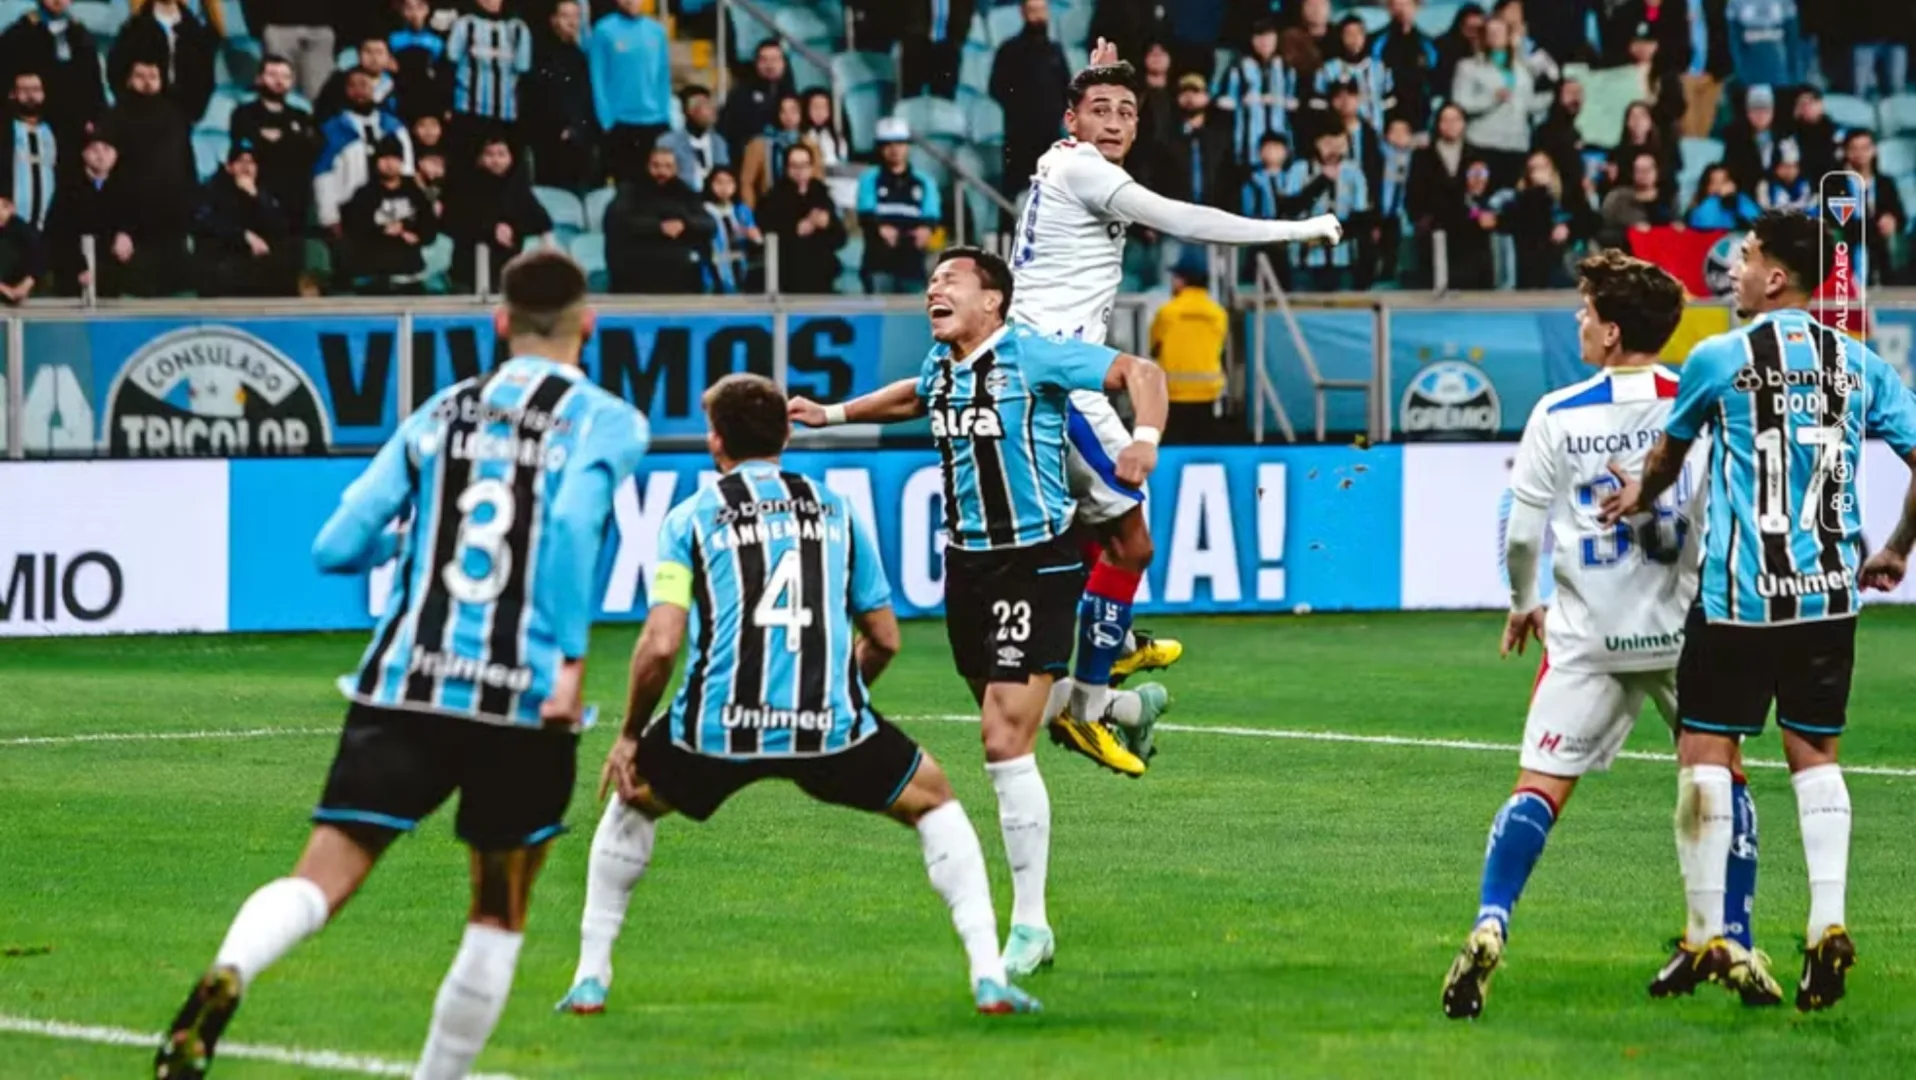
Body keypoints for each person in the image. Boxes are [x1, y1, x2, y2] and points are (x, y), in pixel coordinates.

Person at [154, 249, 650, 1080]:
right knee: (496, 912)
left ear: (500, 323)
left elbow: (336, 546)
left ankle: (233, 966)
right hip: (521, 700)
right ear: (587, 325)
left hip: (405, 685)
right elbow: (569, 527)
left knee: (321, 878)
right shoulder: (608, 421)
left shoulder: (440, 411)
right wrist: (570, 659)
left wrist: (410, 546)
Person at [554, 371, 1040, 1019]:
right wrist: (837, 695)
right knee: (934, 801)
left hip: (716, 726)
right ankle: (988, 974)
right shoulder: (835, 509)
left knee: (632, 801)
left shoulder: (688, 518)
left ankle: (590, 978)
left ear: (716, 441)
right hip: (828, 724)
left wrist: (629, 737)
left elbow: (662, 644)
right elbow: (885, 638)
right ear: (785, 436)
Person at [789, 246, 1171, 978]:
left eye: (950, 281)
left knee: (1002, 740)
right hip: (967, 567)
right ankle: (1123, 708)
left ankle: (1030, 924)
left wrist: (1144, 441)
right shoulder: (943, 366)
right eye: (931, 280)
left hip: (1038, 561)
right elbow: (914, 396)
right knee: (1024, 710)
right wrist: (829, 414)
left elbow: (1141, 374)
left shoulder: (1034, 354)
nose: (933, 289)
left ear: (993, 301)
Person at [1597, 210, 1916, 1011]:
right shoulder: (1859, 364)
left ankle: (1707, 933)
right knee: (1816, 758)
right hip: (1828, 598)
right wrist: (1897, 547)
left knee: (1704, 751)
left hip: (1738, 598)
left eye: (1743, 258)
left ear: (1775, 278)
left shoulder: (1718, 358)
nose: (1730, 271)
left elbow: (1668, 456)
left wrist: (1641, 493)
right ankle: (1827, 921)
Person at [1439, 249, 1770, 1021]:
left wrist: (1522, 602)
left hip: (1589, 635)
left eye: (1587, 311)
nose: (1579, 321)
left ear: (1613, 331)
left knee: (1539, 788)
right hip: (1686, 632)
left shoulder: (1558, 413)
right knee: (1723, 776)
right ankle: (1733, 937)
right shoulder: (1703, 401)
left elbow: (1524, 535)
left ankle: (1492, 921)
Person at [1002, 59, 1337, 780]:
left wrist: (1094, 76)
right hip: (1059, 381)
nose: (1115, 121)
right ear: (1072, 121)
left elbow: (1088, 119)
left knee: (1100, 535)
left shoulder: (1058, 159)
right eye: (1099, 109)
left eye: (1126, 110)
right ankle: (1090, 700)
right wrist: (1296, 230)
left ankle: (1110, 646)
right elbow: (1185, 219)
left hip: (1045, 372)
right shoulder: (1085, 170)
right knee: (1134, 544)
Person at [101, 59, 193, 298]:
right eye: (140, 76)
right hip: (132, 226)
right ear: (129, 80)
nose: (147, 82)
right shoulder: (116, 116)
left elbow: (187, 167)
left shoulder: (175, 116)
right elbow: (109, 179)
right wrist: (120, 229)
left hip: (171, 224)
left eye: (153, 76)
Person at [446, 135, 554, 292]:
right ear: (480, 158)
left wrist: (513, 228)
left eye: (501, 154)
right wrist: (491, 228)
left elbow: (541, 221)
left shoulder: (518, 189)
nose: (495, 160)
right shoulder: (465, 187)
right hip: (468, 270)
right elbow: (454, 221)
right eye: (489, 154)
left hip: (508, 271)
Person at [314, 68, 414, 235]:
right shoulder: (332, 129)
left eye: (364, 84)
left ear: (375, 88)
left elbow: (407, 168)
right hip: (348, 211)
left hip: (392, 211)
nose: (359, 90)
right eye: (352, 85)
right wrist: (329, 216)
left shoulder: (394, 127)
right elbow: (323, 175)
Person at [192, 140, 297, 296]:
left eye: (251, 162)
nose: (246, 167)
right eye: (240, 161)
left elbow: (280, 226)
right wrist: (244, 236)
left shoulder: (264, 192)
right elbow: (206, 222)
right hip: (225, 258)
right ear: (229, 167)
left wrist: (256, 197)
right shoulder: (213, 190)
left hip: (257, 260)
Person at [604, 144, 712, 294]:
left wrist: (685, 224)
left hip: (680, 273)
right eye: (656, 166)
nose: (662, 172)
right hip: (638, 268)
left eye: (668, 166)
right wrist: (659, 227)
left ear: (676, 169)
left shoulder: (685, 193)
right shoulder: (630, 190)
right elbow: (618, 221)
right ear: (647, 166)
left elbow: (709, 223)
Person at [0, 0, 107, 148]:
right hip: (30, 128)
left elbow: (94, 86)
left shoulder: (80, 35)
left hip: (74, 131)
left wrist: (97, 120)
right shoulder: (18, 35)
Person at [1452, 15, 1542, 190]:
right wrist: (1492, 99)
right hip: (1483, 143)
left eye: (1499, 31)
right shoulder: (1468, 67)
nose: (1494, 36)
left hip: (1517, 144)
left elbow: (1528, 102)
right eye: (1490, 32)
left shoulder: (1523, 69)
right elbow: (1461, 102)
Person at [990, 0, 1070, 195]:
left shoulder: (1055, 51)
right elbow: (996, 88)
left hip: (1050, 136)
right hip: (1018, 138)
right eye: (1033, 11)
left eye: (1042, 11)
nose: (1038, 17)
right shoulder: (1009, 50)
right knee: (1014, 191)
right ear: (1023, 13)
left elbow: (1066, 88)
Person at [339, 135, 437, 294]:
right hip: (373, 274)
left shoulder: (415, 191)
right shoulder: (365, 194)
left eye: (394, 158)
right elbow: (354, 229)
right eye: (384, 158)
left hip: (409, 273)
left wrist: (410, 231)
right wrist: (382, 231)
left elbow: (429, 226)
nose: (390, 163)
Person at [232, 56, 321, 231]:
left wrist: (279, 138)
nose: (279, 81)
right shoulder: (244, 113)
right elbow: (250, 148)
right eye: (272, 75)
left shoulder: (301, 115)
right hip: (258, 194)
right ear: (259, 79)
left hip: (296, 196)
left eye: (285, 76)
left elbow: (311, 149)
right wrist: (291, 139)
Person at [43, 123, 132, 294]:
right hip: (75, 279)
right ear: (84, 153)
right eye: (94, 150)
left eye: (107, 149)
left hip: (114, 280)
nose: (101, 156)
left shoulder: (125, 188)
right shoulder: (69, 190)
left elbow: (135, 223)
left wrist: (126, 234)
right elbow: (58, 234)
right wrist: (77, 267)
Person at [589, 0, 671, 185]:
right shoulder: (604, 30)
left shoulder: (657, 31)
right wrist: (606, 119)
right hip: (620, 122)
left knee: (651, 184)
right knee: (624, 184)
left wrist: (664, 114)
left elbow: (663, 76)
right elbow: (597, 77)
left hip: (653, 121)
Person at [1151, 254, 1229, 443]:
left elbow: (1154, 347)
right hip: (1208, 392)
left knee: (1174, 447)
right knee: (1203, 446)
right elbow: (1221, 347)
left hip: (1174, 394)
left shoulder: (1167, 312)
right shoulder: (1218, 313)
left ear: (1182, 280)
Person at [858, 117, 939, 295]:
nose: (894, 149)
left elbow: (931, 216)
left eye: (900, 143)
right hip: (878, 262)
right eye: (888, 144)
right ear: (880, 148)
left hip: (912, 262)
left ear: (907, 146)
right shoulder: (869, 178)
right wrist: (880, 229)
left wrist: (925, 230)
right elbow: (866, 214)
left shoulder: (924, 181)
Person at [522, 0, 596, 191]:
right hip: (549, 140)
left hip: (578, 139)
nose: (572, 22)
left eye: (576, 17)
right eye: (565, 16)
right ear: (553, 20)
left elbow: (584, 99)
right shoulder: (540, 55)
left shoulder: (580, 56)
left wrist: (578, 128)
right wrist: (559, 128)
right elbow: (537, 98)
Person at [755, 142, 844, 293]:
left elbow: (841, 238)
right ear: (786, 168)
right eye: (794, 166)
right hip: (788, 277)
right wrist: (796, 229)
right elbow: (767, 235)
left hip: (822, 275)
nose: (800, 171)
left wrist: (828, 224)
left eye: (804, 165)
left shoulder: (822, 195)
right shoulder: (772, 198)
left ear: (811, 167)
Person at [1212, 17, 1295, 177]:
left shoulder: (1286, 70)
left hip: (1281, 153)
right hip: (1246, 152)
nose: (1264, 41)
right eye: (1258, 36)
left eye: (1269, 35)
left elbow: (1293, 109)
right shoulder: (1238, 69)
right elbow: (1225, 109)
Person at [110, 0, 217, 124]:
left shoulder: (195, 32)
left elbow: (205, 76)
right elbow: (117, 72)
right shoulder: (133, 29)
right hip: (140, 120)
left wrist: (192, 113)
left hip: (182, 120)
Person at [446, 0, 532, 153]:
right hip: (468, 110)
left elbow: (523, 68)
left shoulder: (518, 28)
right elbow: (450, 62)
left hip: (506, 112)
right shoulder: (464, 24)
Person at [1501, 150, 1580, 289]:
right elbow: (1533, 226)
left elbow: (1591, 220)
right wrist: (1541, 190)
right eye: (1534, 168)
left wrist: (1568, 227)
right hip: (1536, 271)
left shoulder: (1568, 195)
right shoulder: (1519, 201)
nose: (1539, 173)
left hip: (1567, 264)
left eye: (1544, 167)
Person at [1368, 0, 1441, 131]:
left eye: (1407, 4)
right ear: (1389, 8)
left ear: (1416, 8)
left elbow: (1435, 78)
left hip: (1419, 114)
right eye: (1397, 4)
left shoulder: (1427, 43)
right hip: (1387, 114)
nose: (1402, 9)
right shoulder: (1377, 41)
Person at [718, 40, 795, 163]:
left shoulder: (791, 93)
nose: (770, 65)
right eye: (764, 60)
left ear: (783, 63)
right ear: (756, 63)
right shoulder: (741, 94)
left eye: (775, 59)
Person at [2, 72, 57, 234]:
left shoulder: (56, 131)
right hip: (8, 226)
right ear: (12, 94)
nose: (30, 95)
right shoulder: (4, 130)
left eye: (35, 89)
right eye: (24, 90)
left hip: (50, 229)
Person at [738, 92, 812, 210]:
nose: (788, 116)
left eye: (794, 111)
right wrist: (749, 214)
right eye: (783, 111)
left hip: (803, 206)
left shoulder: (809, 143)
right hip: (769, 206)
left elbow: (817, 179)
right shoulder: (759, 144)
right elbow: (747, 183)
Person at [253, 0, 336, 101]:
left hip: (321, 31)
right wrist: (260, 27)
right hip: (277, 26)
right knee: (277, 92)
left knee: (321, 94)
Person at [658, 85, 728, 199]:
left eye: (710, 104)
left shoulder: (719, 142)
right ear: (688, 110)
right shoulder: (668, 143)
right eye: (704, 105)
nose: (712, 109)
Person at [1597, 150, 1674, 249]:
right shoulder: (1618, 197)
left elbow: (1675, 224)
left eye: (1647, 170)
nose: (1643, 174)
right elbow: (1604, 231)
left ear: (1657, 171)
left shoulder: (1668, 198)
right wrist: (1630, 232)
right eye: (1638, 170)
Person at [899, 0, 975, 100]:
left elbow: (966, 11)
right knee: (911, 97)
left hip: (948, 49)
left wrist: (958, 39)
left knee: (944, 99)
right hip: (916, 47)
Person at [701, 166, 760, 294]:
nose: (724, 187)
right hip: (711, 274)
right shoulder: (703, 211)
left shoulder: (742, 211)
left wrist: (752, 236)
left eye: (729, 182)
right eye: (719, 182)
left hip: (740, 272)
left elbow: (757, 239)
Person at [389, 0, 450, 121]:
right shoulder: (393, 39)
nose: (415, 13)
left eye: (419, 7)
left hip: (427, 97)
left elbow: (441, 75)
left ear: (427, 10)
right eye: (409, 8)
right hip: (400, 96)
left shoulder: (437, 42)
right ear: (402, 11)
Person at [314, 36, 398, 123]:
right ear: (358, 54)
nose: (374, 58)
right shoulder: (340, 81)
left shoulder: (396, 84)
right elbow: (323, 112)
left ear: (389, 57)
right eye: (368, 52)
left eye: (379, 52)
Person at [1721, 84, 1782, 196]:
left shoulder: (1783, 136)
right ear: (1748, 113)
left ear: (1772, 112)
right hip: (1747, 194)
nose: (1760, 116)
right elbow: (1731, 169)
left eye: (1765, 110)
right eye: (1755, 111)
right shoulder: (1735, 139)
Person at [1684, 164, 1762, 231]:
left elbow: (1758, 220)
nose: (1720, 186)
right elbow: (1707, 224)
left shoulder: (1741, 199)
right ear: (1706, 186)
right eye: (1714, 182)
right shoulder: (1704, 204)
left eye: (1724, 181)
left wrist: (1732, 200)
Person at [0, 190, 44, 302]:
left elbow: (39, 257)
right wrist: (4, 289)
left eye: (4, 208)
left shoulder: (22, 230)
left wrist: (25, 286)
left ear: (11, 209)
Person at [800, 88, 844, 168]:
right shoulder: (801, 135)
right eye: (815, 107)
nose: (820, 112)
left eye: (824, 108)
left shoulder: (836, 137)